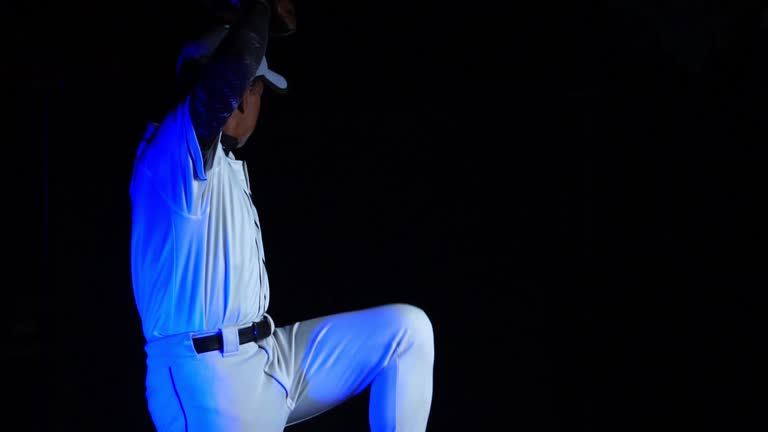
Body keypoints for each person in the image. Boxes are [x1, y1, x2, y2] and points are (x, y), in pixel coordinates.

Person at [128, 1, 435, 430]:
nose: (257, 104)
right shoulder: (170, 159)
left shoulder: (221, 164)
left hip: (267, 358)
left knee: (407, 333)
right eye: (256, 91)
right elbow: (220, 85)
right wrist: (260, 9)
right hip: (209, 385)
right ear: (236, 96)